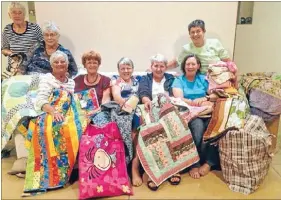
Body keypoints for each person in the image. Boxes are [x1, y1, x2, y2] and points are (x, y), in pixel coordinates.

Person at [22, 50, 83, 196]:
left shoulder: (72, 82)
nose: (60, 64)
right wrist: (54, 112)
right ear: (52, 65)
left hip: (67, 112)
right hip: (50, 111)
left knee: (75, 128)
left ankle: (66, 171)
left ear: (67, 65)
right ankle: (47, 176)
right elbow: (41, 101)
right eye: (56, 62)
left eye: (63, 62)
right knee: (50, 130)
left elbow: (73, 101)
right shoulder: (47, 79)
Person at [172, 54, 220, 179]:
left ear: (198, 66)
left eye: (193, 64)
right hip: (189, 112)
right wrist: (194, 102)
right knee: (198, 128)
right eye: (188, 64)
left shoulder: (203, 79)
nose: (190, 66)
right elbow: (179, 98)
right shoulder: (179, 80)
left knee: (213, 128)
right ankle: (194, 163)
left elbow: (215, 94)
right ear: (184, 66)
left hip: (205, 111)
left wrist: (205, 98)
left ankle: (208, 163)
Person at [138, 53, 182, 191]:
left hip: (167, 108)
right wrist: (147, 101)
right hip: (149, 107)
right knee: (152, 130)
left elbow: (176, 95)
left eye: (161, 66)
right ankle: (153, 171)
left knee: (174, 127)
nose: (158, 68)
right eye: (155, 65)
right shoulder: (145, 78)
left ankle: (174, 168)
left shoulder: (171, 78)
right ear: (151, 67)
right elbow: (143, 93)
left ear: (165, 67)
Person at [111, 57, 142, 186]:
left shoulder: (138, 80)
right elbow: (117, 95)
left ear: (133, 69)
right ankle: (123, 169)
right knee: (126, 121)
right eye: (122, 68)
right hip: (121, 108)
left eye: (128, 67)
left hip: (137, 109)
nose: (126, 70)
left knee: (138, 121)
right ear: (118, 70)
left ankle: (134, 169)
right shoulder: (116, 81)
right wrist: (124, 103)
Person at [1, 2, 43, 74]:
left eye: (20, 13)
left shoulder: (34, 27)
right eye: (14, 12)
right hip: (14, 68)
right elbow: (4, 49)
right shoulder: (7, 29)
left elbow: (43, 45)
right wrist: (12, 54)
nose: (17, 15)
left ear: (24, 14)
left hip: (33, 67)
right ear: (9, 15)